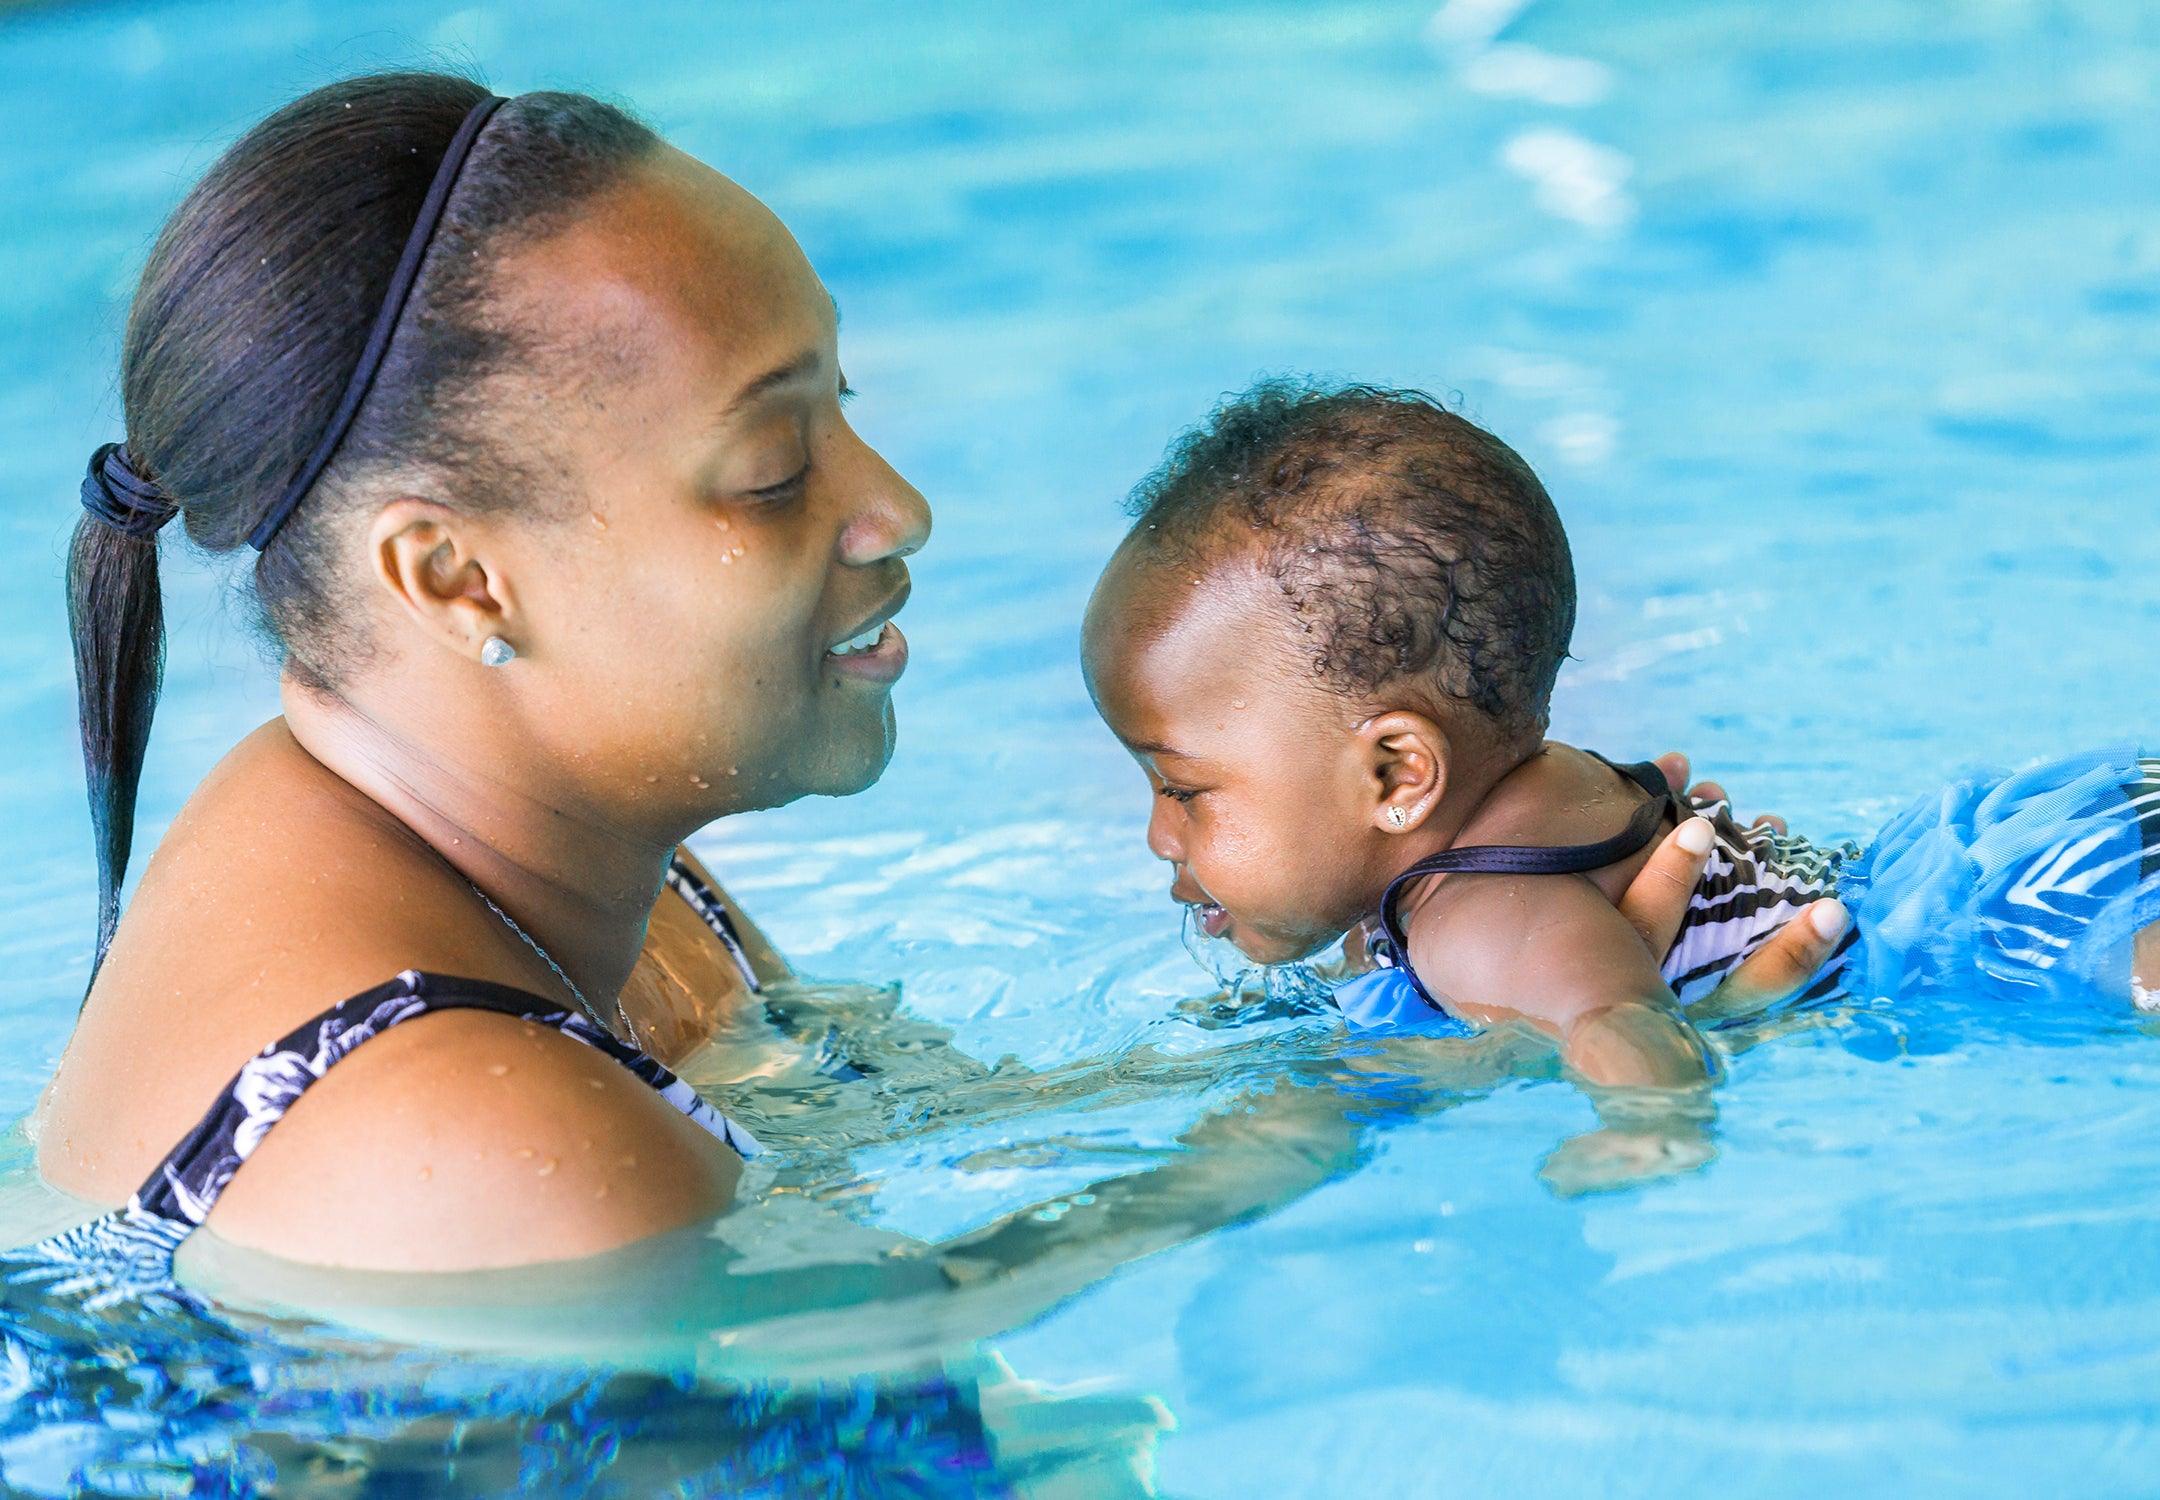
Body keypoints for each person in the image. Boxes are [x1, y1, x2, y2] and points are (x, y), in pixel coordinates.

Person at [36, 74, 1841, 1292]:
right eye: (770, 468)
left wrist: (1479, 982)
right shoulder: (454, 1127)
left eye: (843, 407)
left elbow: (864, 1140)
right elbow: (896, 1364)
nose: (894, 506)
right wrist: (1396, 1117)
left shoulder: (582, 872)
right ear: (451, 576)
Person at [1081, 378, 2160, 1120]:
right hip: (1991, 854)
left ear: (1399, 774)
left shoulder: (1469, 914)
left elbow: (1621, 1020)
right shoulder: (1547, 783)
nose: (1156, 834)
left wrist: (1641, 1131)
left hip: (2008, 936)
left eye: (1182, 788)